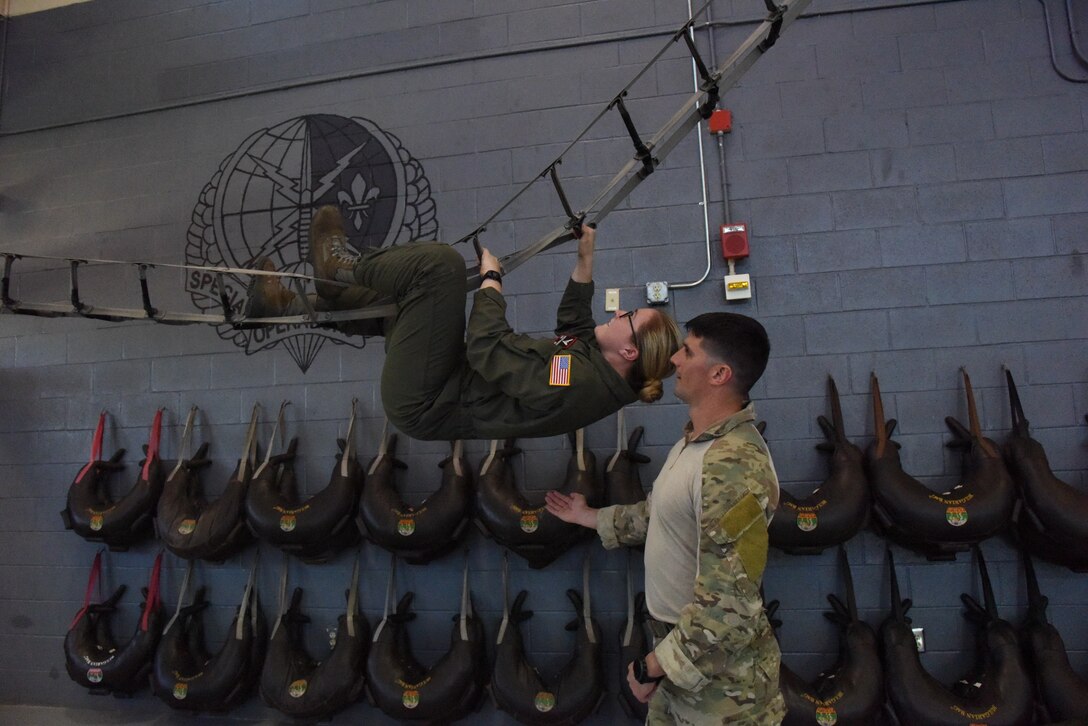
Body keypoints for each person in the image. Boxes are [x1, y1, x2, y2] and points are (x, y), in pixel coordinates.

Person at [247, 205, 683, 441]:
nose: (617, 312)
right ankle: (283, 305)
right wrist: (585, 259)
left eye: (627, 316)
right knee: (408, 303)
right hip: (442, 386)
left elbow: (488, 348)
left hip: (427, 400)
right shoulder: (591, 371)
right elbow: (572, 335)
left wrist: (491, 281)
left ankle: (339, 269)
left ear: (630, 351)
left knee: (438, 269)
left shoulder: (575, 385)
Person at [545, 312, 784, 725]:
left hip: (723, 692)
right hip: (681, 660)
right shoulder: (693, 445)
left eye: (687, 352)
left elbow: (730, 603)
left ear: (719, 374)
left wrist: (651, 666)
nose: (673, 359)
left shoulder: (733, 464)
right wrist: (589, 517)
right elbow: (655, 516)